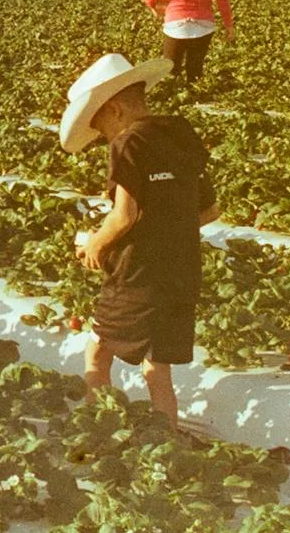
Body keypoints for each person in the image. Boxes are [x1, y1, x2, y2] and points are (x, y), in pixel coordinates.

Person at [62, 53, 219, 429]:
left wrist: (95, 245)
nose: (103, 138)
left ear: (114, 109)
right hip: (182, 271)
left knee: (98, 351)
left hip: (138, 274)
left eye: (100, 129)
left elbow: (124, 216)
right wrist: (168, 230)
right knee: (157, 366)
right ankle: (165, 439)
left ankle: (93, 423)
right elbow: (210, 211)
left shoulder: (128, 143)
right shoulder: (181, 134)